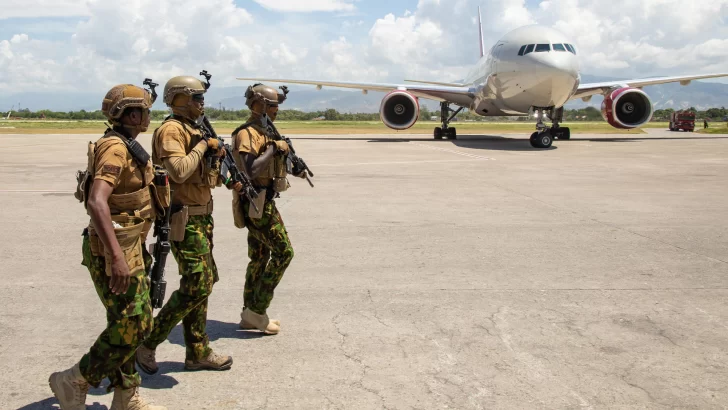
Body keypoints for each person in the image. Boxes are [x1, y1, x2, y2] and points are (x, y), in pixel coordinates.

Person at [49, 83, 166, 410]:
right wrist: (117, 259)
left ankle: (126, 396)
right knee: (136, 323)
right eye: (144, 110)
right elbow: (97, 201)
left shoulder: (128, 145)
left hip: (129, 244)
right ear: (131, 114)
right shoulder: (115, 148)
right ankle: (74, 379)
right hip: (114, 249)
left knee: (126, 321)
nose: (148, 116)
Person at [135, 75, 233, 374]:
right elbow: (177, 171)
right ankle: (148, 342)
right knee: (197, 284)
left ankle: (197, 351)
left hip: (202, 216)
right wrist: (203, 146)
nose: (201, 103)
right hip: (182, 217)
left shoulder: (194, 129)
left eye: (202, 97)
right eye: (195, 97)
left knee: (203, 283)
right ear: (178, 99)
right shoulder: (171, 130)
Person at [231, 83, 304, 334]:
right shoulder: (246, 134)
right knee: (284, 253)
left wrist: (295, 166)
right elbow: (250, 169)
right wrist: (274, 148)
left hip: (264, 199)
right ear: (260, 105)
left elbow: (278, 161)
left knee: (260, 258)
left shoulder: (266, 131)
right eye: (273, 106)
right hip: (255, 202)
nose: (276, 110)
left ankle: (249, 313)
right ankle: (257, 310)